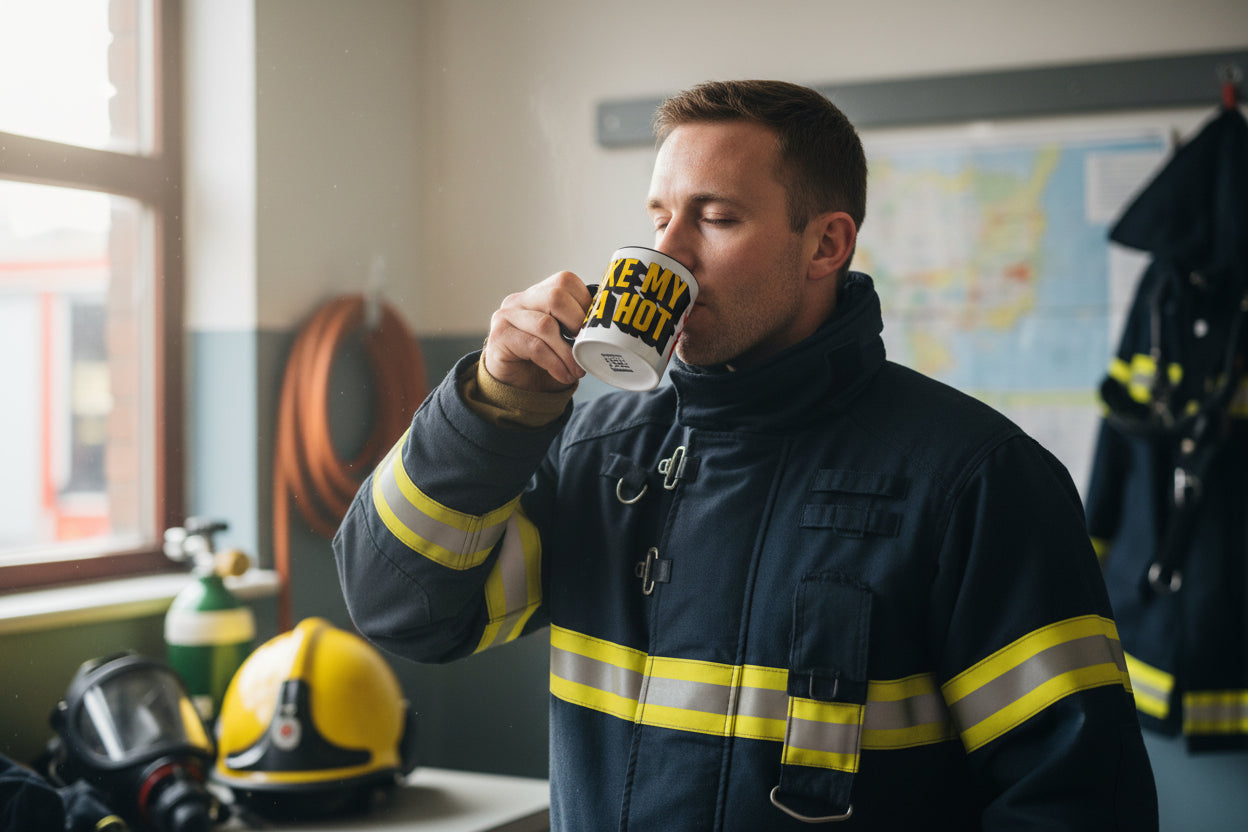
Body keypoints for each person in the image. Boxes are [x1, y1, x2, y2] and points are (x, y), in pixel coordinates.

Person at [333, 80, 1158, 830]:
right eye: (660, 218)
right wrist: (495, 403)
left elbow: (1077, 805)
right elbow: (404, 609)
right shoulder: (597, 456)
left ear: (826, 246)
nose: (671, 251)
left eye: (716, 218)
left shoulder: (976, 481)